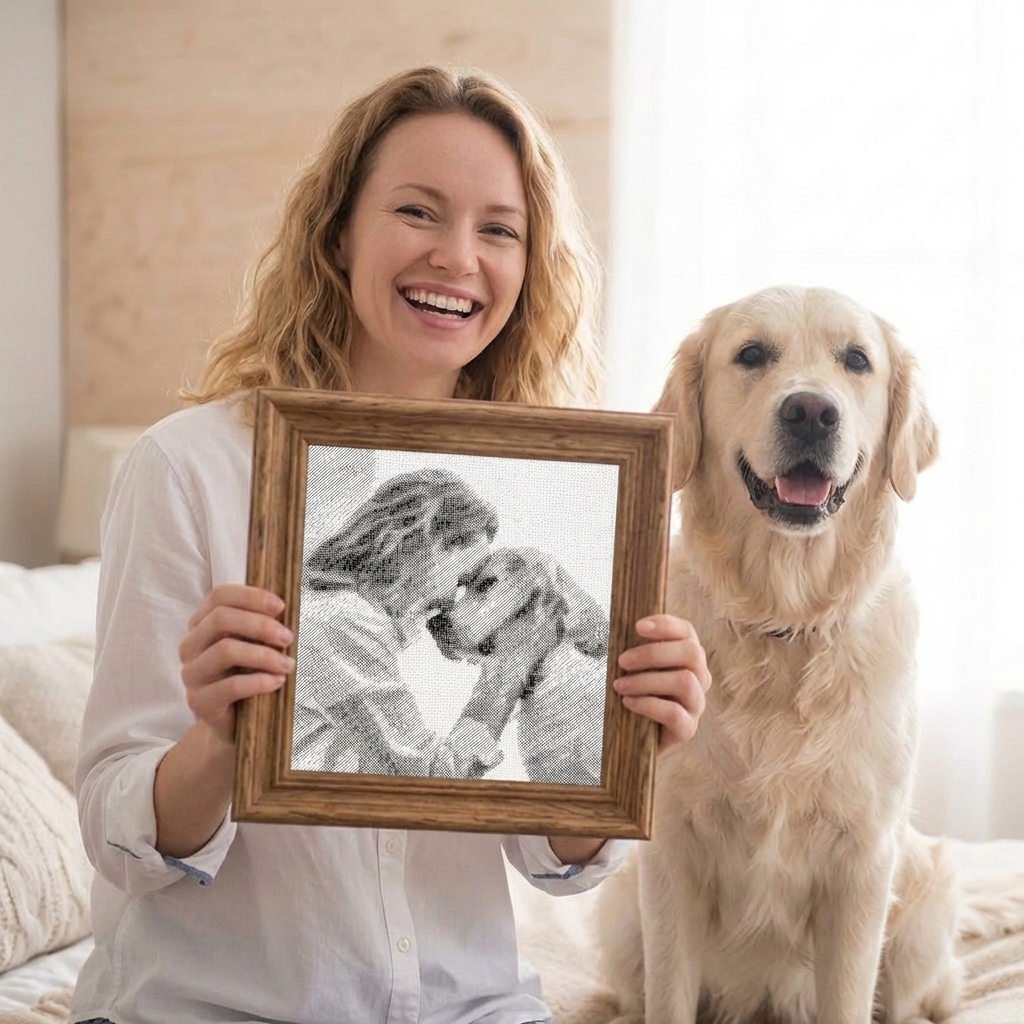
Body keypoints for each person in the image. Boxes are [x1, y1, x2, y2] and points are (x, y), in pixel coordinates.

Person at [71, 64, 712, 1024]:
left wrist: (622, 747)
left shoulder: (552, 492)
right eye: (419, 211)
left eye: (500, 229)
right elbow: (119, 833)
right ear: (337, 235)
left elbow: (557, 866)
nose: (458, 257)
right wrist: (219, 738)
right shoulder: (190, 471)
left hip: (474, 1004)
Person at [293, 467, 560, 777]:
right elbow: (431, 779)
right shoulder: (344, 622)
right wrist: (510, 668)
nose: (450, 603)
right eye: (463, 583)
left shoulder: (333, 612)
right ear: (420, 542)